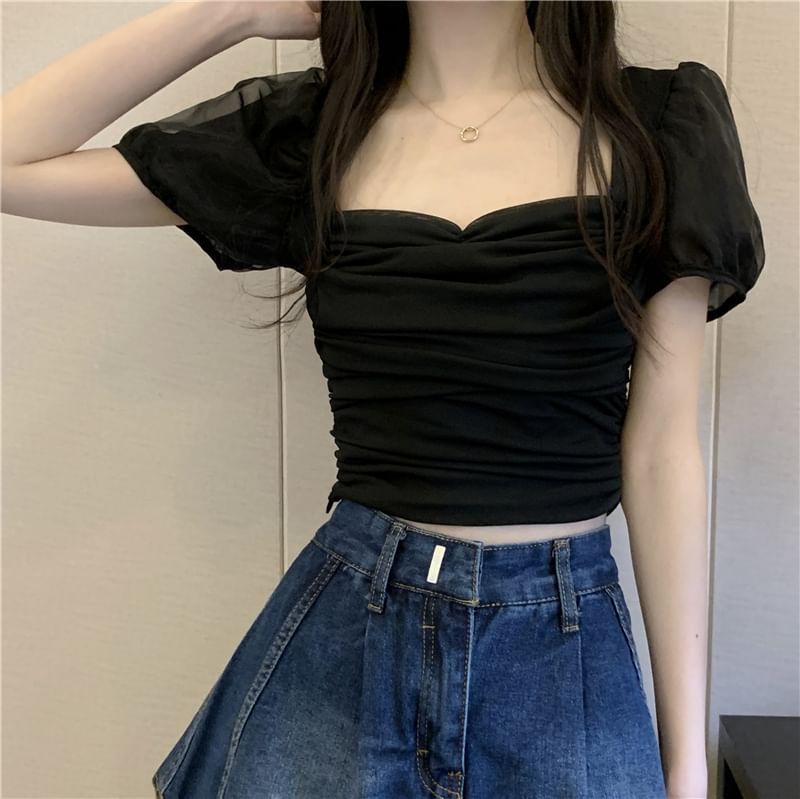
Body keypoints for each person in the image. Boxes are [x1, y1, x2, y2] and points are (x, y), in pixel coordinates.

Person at [1, 1, 765, 798]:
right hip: (348, 636)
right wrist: (234, 13)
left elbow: (661, 452)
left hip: (562, 644)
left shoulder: (657, 128)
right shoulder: (313, 136)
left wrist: (684, 762)